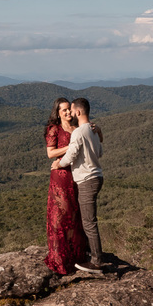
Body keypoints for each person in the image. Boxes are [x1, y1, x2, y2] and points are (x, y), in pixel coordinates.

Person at [54, 96, 105, 272]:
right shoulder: (92, 130)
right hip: (97, 177)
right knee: (88, 220)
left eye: (72, 110)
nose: (70, 113)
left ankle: (96, 261)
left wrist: (58, 164)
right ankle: (92, 254)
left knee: (89, 222)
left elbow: (71, 154)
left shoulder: (79, 132)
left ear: (78, 111)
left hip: (87, 180)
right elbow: (99, 152)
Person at [43, 97, 88, 274]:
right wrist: (71, 146)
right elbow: (50, 153)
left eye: (69, 109)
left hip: (77, 174)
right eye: (64, 110)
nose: (68, 112)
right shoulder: (54, 129)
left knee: (75, 214)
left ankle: (76, 255)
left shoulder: (77, 128)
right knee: (60, 215)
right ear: (58, 113)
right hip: (60, 176)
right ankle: (60, 258)